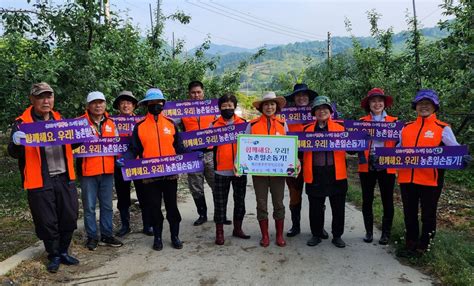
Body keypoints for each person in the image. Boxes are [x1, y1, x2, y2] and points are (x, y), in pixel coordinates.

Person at [8, 82, 79, 273]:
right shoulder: (22, 124)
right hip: (39, 180)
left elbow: (71, 145)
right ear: (32, 99)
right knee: (47, 221)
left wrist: (80, 137)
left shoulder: (61, 120)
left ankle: (64, 251)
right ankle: (54, 255)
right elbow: (13, 153)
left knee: (69, 217)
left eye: (49, 96)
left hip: (64, 177)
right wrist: (16, 143)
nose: (46, 100)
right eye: (41, 97)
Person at [398, 89, 466, 255]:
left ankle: (424, 246)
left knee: (428, 214)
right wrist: (381, 159)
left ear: (435, 107)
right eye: (420, 104)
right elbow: (398, 150)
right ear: (415, 106)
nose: (424, 107)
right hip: (407, 178)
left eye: (428, 104)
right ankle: (410, 242)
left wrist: (464, 156)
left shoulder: (442, 128)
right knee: (409, 212)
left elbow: (455, 149)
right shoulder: (406, 128)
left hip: (430, 179)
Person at [121, 88, 185, 251]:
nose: (156, 105)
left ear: (163, 104)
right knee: (154, 207)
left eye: (158, 102)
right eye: (152, 103)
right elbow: (134, 148)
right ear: (146, 105)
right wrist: (125, 159)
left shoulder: (171, 124)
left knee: (172, 206)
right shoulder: (140, 126)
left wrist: (193, 155)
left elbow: (179, 147)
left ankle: (175, 236)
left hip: (170, 174)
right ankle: (157, 237)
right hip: (150, 175)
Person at [77, 91, 123, 251]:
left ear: (105, 104)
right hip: (88, 172)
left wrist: (120, 158)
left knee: (107, 205)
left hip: (107, 171)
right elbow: (72, 147)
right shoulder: (79, 123)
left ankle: (107, 234)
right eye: (94, 103)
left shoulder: (111, 123)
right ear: (88, 106)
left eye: (101, 102)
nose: (98, 105)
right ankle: (92, 237)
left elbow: (117, 144)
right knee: (89, 206)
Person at [302, 96, 348, 248]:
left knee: (338, 206)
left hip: (336, 173)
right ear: (314, 112)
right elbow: (298, 152)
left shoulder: (341, 128)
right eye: (318, 109)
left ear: (330, 111)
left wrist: (363, 139)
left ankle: (337, 235)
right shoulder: (306, 130)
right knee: (315, 206)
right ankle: (316, 234)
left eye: (325, 108)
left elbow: (353, 148)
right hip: (314, 172)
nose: (322, 111)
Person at [284, 83, 328, 239]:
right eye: (298, 95)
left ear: (309, 98)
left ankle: (319, 228)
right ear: (294, 98)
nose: (301, 98)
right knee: (294, 195)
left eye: (304, 95)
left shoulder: (318, 114)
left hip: (313, 159)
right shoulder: (286, 115)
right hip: (291, 159)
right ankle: (295, 225)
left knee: (317, 195)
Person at [247, 91, 288, 247]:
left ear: (276, 107)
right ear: (261, 107)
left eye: (272, 104)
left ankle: (279, 235)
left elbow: (290, 148)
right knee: (261, 202)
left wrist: (295, 160)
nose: (269, 107)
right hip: (259, 172)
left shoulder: (283, 124)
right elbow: (245, 147)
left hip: (278, 172)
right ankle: (265, 235)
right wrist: (240, 163)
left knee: (279, 202)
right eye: (266, 104)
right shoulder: (252, 125)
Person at [180, 81, 223, 226]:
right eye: (193, 93)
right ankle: (202, 214)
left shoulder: (213, 109)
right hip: (192, 154)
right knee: (196, 187)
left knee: (216, 185)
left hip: (211, 153)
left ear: (203, 93)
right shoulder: (183, 111)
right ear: (189, 94)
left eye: (198, 92)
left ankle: (220, 214)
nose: (196, 95)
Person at [357, 88, 397, 245]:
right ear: (369, 104)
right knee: (367, 199)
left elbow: (401, 144)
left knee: (387, 199)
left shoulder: (394, 122)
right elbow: (354, 144)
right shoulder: (361, 122)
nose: (377, 103)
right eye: (373, 101)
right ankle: (368, 232)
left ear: (384, 103)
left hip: (387, 163)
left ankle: (386, 233)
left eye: (380, 100)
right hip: (367, 164)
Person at [210, 93, 250, 245]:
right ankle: (219, 232)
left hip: (240, 170)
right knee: (220, 202)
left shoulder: (244, 124)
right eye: (224, 106)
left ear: (235, 106)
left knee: (240, 201)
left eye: (230, 105)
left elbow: (251, 145)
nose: (227, 108)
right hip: (221, 170)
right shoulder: (213, 125)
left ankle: (237, 228)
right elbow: (206, 145)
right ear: (219, 107)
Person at [112, 91, 152, 237]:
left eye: (129, 102)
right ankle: (125, 225)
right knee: (123, 196)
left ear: (134, 105)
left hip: (139, 164)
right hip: (120, 165)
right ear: (118, 106)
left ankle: (147, 225)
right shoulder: (112, 122)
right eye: (122, 102)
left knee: (144, 195)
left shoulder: (141, 122)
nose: (125, 105)